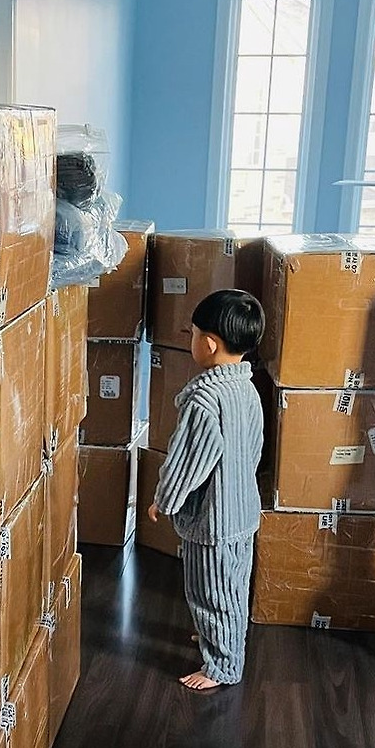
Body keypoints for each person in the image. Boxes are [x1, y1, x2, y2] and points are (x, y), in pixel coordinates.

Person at [147, 288, 264, 690]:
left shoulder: (204, 399)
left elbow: (188, 461)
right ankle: (222, 637)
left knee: (210, 591)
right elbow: (254, 447)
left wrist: (165, 499)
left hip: (214, 518)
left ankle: (223, 666)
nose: (192, 341)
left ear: (210, 344)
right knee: (234, 584)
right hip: (243, 509)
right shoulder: (247, 389)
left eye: (193, 334)